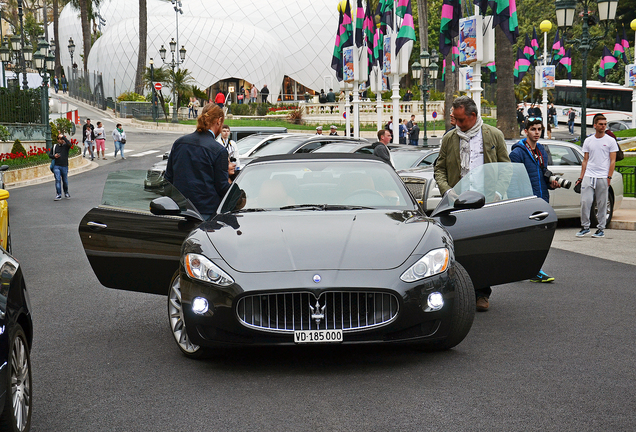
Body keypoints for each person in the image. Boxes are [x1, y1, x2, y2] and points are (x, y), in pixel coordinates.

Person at [434, 96, 510, 312]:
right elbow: (439, 169)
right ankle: (459, 291)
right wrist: (447, 191)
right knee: (458, 248)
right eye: (455, 119)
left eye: (461, 120)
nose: (457, 123)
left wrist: (497, 192)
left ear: (473, 116)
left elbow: (506, 167)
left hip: (486, 202)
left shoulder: (493, 135)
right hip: (457, 202)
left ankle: (482, 293)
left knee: (484, 249)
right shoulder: (449, 138)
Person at [509, 117, 560, 282]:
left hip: (541, 199)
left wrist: (551, 183)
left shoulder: (541, 151)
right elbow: (513, 180)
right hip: (526, 201)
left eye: (539, 129)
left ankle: (527, 269)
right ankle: (534, 271)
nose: (537, 132)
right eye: (533, 129)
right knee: (531, 238)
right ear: (526, 131)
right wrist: (518, 201)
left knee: (536, 238)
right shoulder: (517, 153)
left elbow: (542, 174)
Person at [165, 104, 230, 220]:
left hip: (179, 211)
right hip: (206, 214)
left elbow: (168, 179)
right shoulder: (219, 150)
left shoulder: (179, 143)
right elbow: (222, 187)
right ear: (219, 121)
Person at [575, 114, 619, 238]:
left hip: (603, 176)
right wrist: (581, 177)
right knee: (585, 201)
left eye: (605, 124)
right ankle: (585, 227)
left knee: (602, 203)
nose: (603, 126)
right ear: (595, 125)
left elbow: (612, 160)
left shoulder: (610, 141)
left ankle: (600, 229)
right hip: (589, 175)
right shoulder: (588, 141)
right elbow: (585, 160)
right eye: (601, 124)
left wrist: (609, 177)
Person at [49, 134, 72, 200]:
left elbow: (69, 144)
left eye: (62, 139)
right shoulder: (55, 146)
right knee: (58, 180)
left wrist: (63, 137)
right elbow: (50, 155)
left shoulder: (66, 146)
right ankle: (58, 194)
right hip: (56, 165)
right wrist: (54, 156)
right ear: (57, 140)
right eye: (60, 139)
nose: (62, 140)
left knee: (65, 180)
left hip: (64, 166)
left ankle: (66, 192)